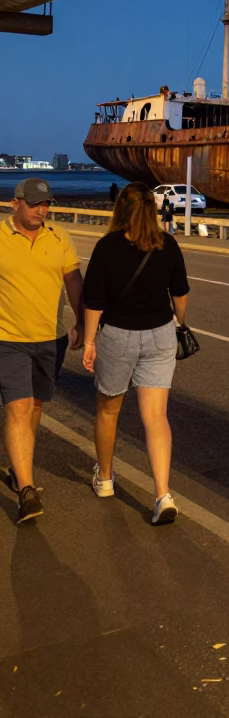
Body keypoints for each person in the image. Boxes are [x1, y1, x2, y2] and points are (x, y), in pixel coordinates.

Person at [81, 182, 190, 526]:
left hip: (118, 336)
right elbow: (181, 295)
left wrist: (87, 342)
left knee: (108, 409)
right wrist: (177, 324)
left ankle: (106, 479)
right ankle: (162, 494)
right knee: (156, 417)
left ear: (120, 210)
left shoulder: (107, 247)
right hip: (160, 335)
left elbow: (94, 303)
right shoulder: (167, 244)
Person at [0, 178, 84, 524]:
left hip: (50, 339)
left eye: (46, 203)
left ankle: (19, 468)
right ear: (15, 203)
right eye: (34, 204)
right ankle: (26, 490)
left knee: (35, 405)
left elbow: (73, 281)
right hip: (8, 339)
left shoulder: (59, 237)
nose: (41, 210)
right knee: (18, 407)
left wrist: (82, 322)